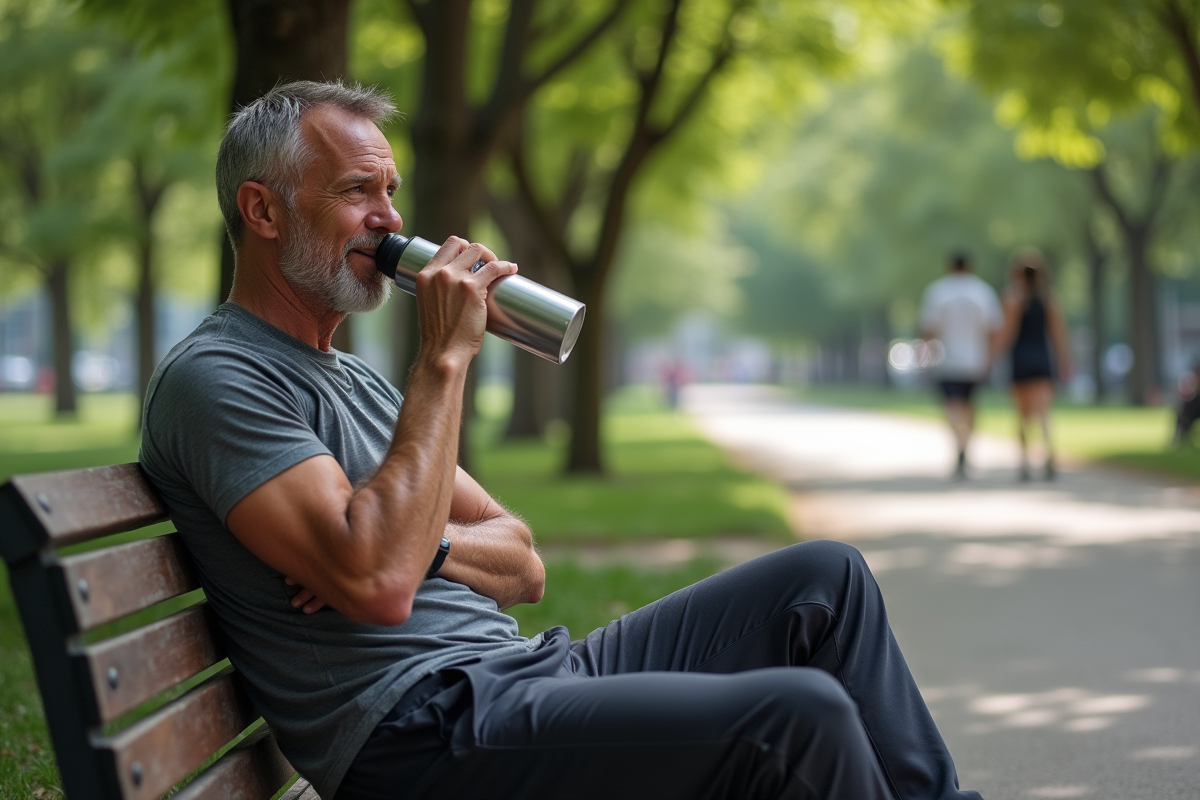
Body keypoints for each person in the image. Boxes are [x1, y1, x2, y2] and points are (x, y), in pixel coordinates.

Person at [140, 80, 982, 800]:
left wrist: (416, 540)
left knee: (823, 580)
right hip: (422, 732)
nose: (389, 219)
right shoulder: (219, 379)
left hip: (521, 677)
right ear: (264, 210)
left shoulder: (352, 379)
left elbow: (525, 563)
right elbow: (376, 581)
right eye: (359, 191)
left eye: (392, 191)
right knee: (799, 717)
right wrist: (444, 361)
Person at [918, 252, 1004, 478]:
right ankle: (965, 445)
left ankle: (959, 443)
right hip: (976, 360)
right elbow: (993, 330)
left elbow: (928, 329)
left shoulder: (938, 292)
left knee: (952, 405)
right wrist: (992, 357)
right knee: (970, 405)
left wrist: (922, 356)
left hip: (948, 360)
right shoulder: (983, 292)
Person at [1000, 250, 1071, 481]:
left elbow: (1008, 333)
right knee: (1043, 413)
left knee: (1022, 415)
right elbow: (1058, 335)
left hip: (1020, 359)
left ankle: (1024, 463)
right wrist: (1064, 361)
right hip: (1042, 359)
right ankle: (1049, 453)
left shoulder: (1012, 299)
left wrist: (995, 353)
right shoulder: (1048, 299)